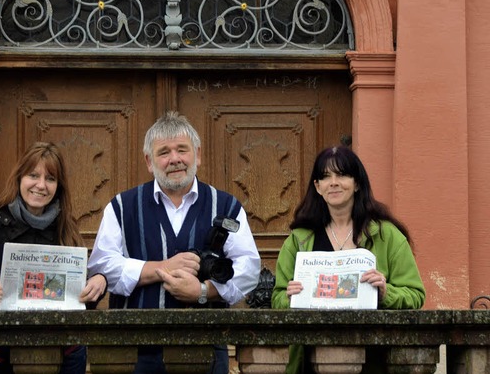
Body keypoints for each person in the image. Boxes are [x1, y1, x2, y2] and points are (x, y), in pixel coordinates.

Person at [88, 111, 261, 374]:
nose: (175, 159)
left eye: (182, 149)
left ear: (198, 155)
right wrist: (163, 267)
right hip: (135, 351)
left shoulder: (226, 206)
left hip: (207, 348)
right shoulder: (122, 206)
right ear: (149, 161)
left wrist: (203, 292)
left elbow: (248, 268)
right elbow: (102, 265)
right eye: (164, 152)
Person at [271, 145, 426, 373]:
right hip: (311, 360)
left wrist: (386, 292)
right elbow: (277, 298)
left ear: (357, 183)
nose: (333, 182)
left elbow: (416, 295)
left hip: (374, 359)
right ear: (317, 187)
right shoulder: (299, 239)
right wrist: (289, 297)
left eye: (342, 174)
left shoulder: (387, 235)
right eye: (325, 177)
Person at [0, 141, 107, 374]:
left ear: (58, 186)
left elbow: (83, 293)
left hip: (66, 355)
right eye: (33, 175)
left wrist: (99, 281)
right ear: (19, 178)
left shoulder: (66, 227)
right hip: (7, 352)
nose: (41, 185)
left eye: (50, 178)